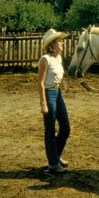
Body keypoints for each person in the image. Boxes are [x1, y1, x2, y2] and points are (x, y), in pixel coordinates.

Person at [38, 29, 71, 174]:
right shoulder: (45, 59)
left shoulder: (58, 59)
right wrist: (43, 103)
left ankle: (56, 156)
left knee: (66, 127)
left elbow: (59, 74)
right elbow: (40, 82)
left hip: (58, 93)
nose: (62, 42)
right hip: (49, 93)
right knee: (50, 129)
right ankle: (53, 165)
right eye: (59, 41)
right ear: (52, 45)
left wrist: (63, 81)